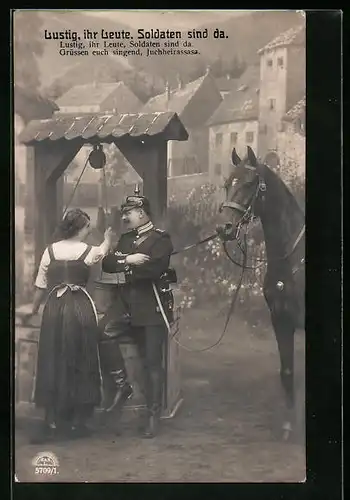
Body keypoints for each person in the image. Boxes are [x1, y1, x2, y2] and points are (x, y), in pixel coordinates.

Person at [24, 208, 113, 444]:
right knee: (82, 358)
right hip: (80, 308)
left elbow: (40, 286)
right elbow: (103, 251)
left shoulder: (49, 250)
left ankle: (52, 420)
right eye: (87, 228)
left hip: (54, 307)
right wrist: (108, 239)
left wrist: (33, 310)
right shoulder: (88, 251)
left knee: (52, 357)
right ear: (80, 229)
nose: (88, 231)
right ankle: (77, 422)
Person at [100, 194, 175, 438]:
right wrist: (130, 259)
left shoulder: (161, 239)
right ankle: (124, 387)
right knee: (102, 332)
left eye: (128, 212)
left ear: (141, 212)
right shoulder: (126, 239)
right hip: (124, 305)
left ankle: (153, 416)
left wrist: (124, 264)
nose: (124, 216)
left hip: (151, 306)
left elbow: (156, 269)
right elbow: (107, 264)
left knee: (152, 362)